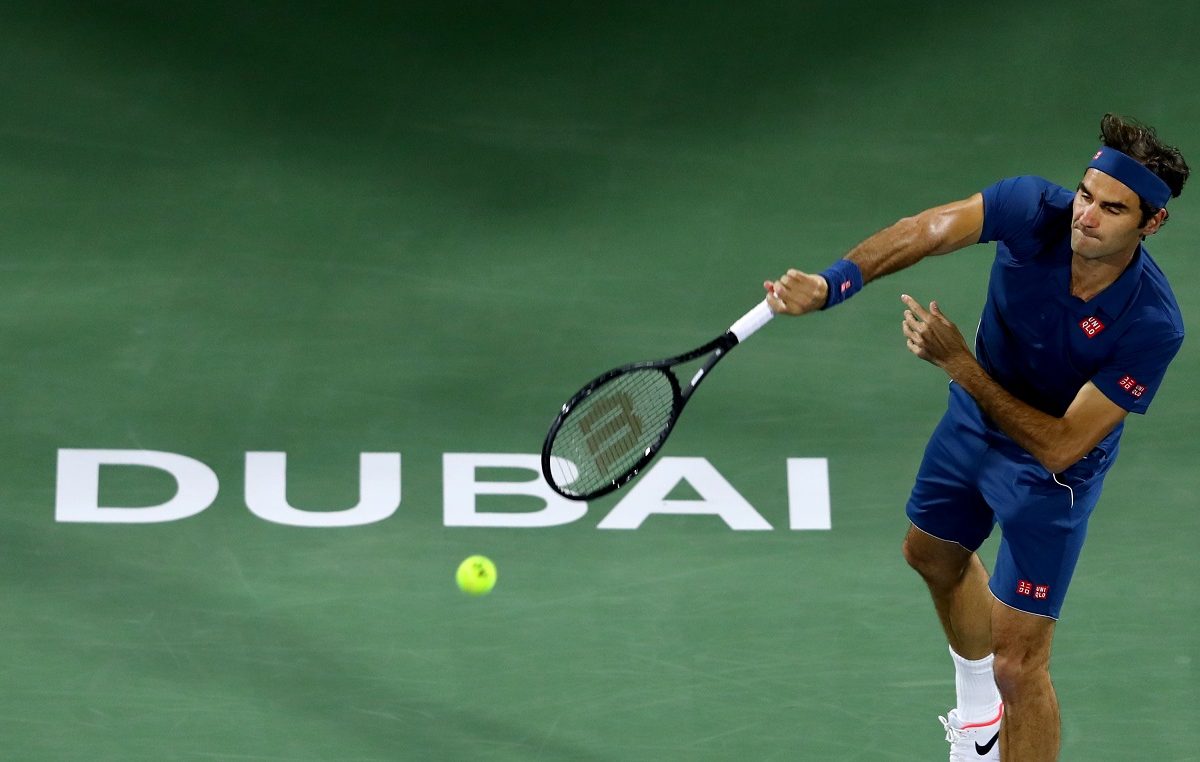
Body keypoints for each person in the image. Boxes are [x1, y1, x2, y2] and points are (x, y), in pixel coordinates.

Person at [764, 113, 1188, 761]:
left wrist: (960, 365)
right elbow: (928, 229)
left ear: (1150, 223)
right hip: (973, 423)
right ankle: (979, 723)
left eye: (1112, 208)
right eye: (1084, 194)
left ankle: (999, 711)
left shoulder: (1152, 323)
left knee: (1020, 666)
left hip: (1052, 479)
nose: (1086, 216)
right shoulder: (1030, 209)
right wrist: (833, 283)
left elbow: (1061, 445)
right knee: (930, 554)